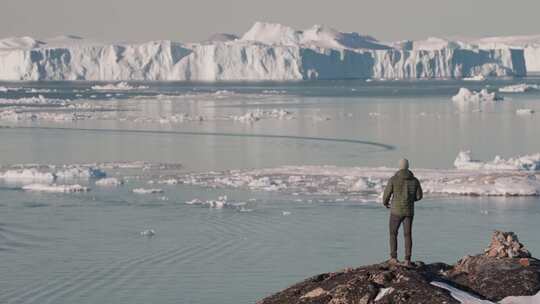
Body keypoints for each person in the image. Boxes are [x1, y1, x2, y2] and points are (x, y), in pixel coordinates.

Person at [382, 158, 423, 267]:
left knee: (393, 233)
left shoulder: (393, 179)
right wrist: (410, 200)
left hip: (395, 211)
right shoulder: (414, 180)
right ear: (408, 166)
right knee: (408, 235)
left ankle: (393, 258)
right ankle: (407, 260)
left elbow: (386, 195)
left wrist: (385, 203)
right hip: (409, 212)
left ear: (399, 166)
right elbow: (419, 196)